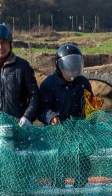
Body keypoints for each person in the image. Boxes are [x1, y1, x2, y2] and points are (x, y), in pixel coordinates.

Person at [39, 43, 94, 187]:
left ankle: (79, 195)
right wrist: (51, 117)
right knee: (58, 169)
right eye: (69, 64)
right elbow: (41, 108)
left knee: (83, 166)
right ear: (59, 65)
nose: (73, 68)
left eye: (76, 64)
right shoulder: (49, 84)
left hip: (79, 133)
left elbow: (90, 105)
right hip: (57, 134)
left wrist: (92, 115)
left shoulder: (83, 83)